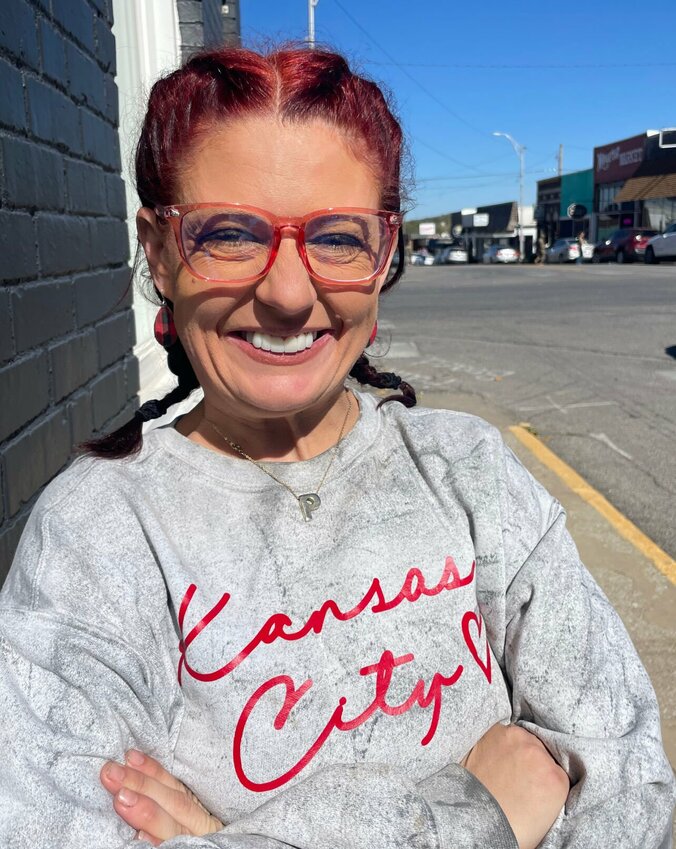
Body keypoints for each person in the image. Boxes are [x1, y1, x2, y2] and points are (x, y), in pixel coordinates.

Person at [0, 46, 674, 849]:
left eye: (340, 239)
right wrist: (472, 817)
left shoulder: (470, 474)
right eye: (229, 233)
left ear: (384, 255)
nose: (288, 293)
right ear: (160, 251)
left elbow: (628, 790)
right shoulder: (95, 539)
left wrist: (228, 835)